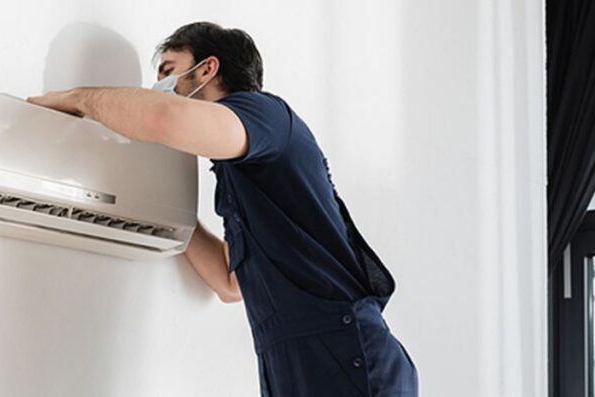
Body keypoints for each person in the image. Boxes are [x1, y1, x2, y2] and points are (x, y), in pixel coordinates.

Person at [27, 21, 418, 396]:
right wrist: (163, 209)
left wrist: (77, 98)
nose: (160, 87)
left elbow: (165, 117)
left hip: (342, 350)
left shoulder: (265, 116)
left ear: (208, 68)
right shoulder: (244, 170)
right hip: (294, 360)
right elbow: (230, 283)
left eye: (169, 71)